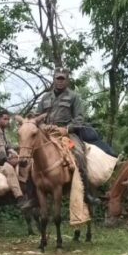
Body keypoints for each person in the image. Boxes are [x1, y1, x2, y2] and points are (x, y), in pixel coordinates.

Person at [36, 68, 98, 204]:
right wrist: (42, 127)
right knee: (30, 156)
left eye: (62, 79)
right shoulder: (45, 97)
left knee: (79, 154)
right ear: (53, 79)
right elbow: (36, 118)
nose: (59, 81)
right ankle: (31, 196)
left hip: (67, 136)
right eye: (57, 78)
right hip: (47, 135)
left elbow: (79, 119)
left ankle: (86, 193)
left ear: (67, 80)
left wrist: (66, 129)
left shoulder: (74, 97)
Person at [0, 110, 24, 202]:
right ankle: (19, 196)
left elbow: (8, 146)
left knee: (22, 162)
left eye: (8, 119)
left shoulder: (4, 132)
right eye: (5, 118)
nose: (7, 121)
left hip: (3, 159)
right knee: (8, 168)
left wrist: (14, 153)